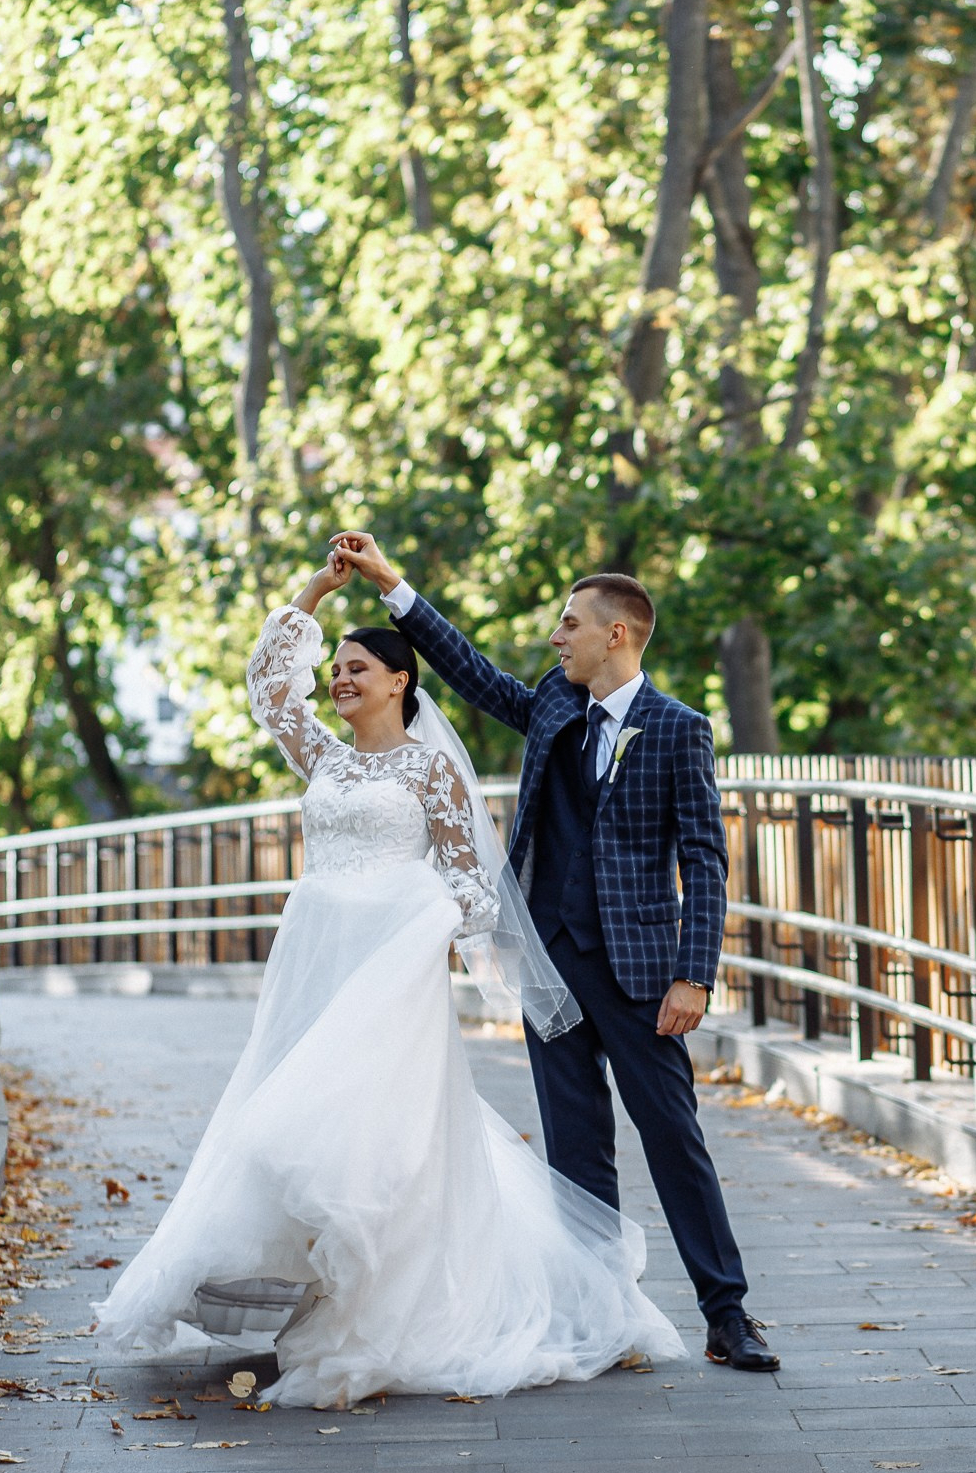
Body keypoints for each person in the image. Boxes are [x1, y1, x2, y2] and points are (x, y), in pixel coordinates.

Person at [94, 545, 683, 1406]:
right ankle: (320, 1290)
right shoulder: (324, 759)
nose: (339, 680)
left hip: (390, 970)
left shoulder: (429, 769)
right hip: (314, 959)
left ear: (400, 682)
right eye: (335, 669)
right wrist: (319, 588)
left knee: (360, 1134)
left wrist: (433, 932)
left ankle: (376, 1308)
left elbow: (471, 883)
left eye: (356, 668)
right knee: (288, 1111)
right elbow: (270, 689)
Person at [328, 529, 779, 1374]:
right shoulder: (551, 704)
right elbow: (470, 672)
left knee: (673, 1138)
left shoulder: (678, 729)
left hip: (642, 973)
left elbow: (704, 858)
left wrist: (695, 973)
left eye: (570, 624)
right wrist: (392, 584)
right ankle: (596, 1317)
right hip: (548, 960)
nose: (555, 637)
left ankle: (727, 1314)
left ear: (617, 633)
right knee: (575, 1151)